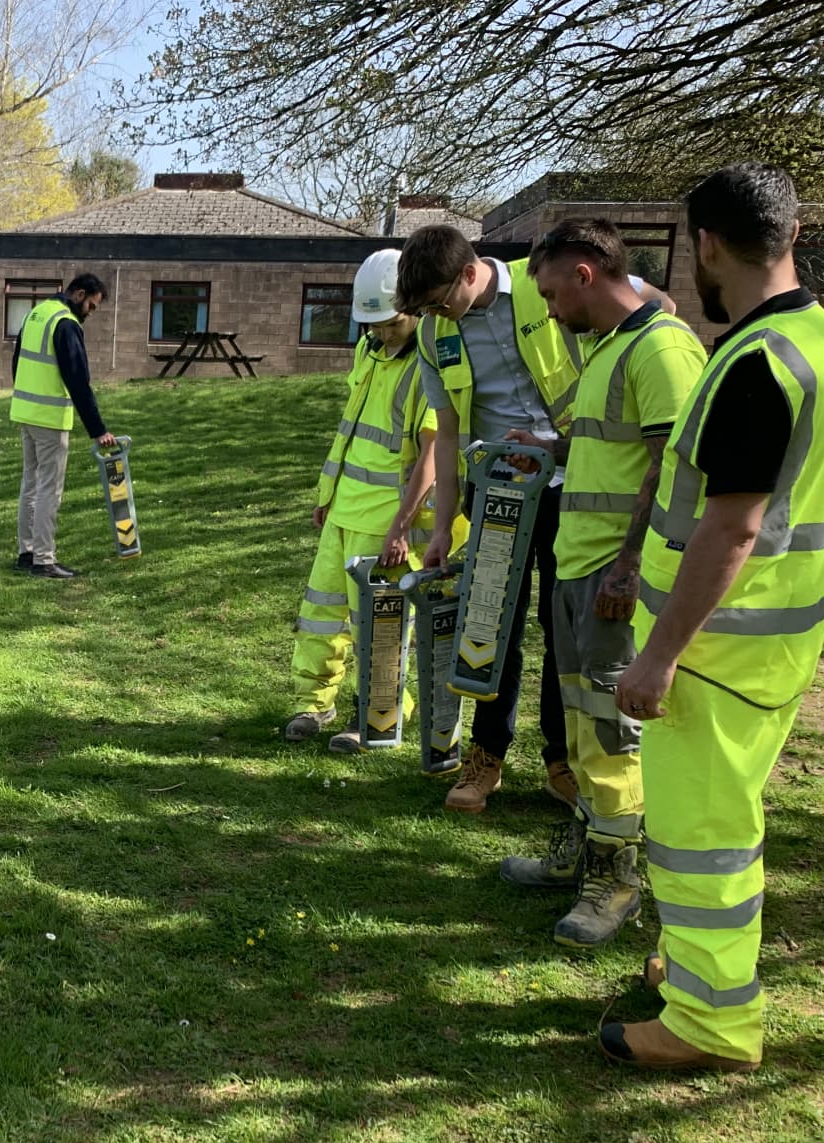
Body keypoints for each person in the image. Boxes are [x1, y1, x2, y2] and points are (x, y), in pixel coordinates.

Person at [601, 164, 824, 1073]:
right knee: (725, 821)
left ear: (707, 245)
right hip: (775, 644)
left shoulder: (755, 363)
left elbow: (733, 523)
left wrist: (659, 655)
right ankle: (692, 972)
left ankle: (709, 1023)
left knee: (699, 839)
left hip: (713, 652)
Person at [394, 228, 677, 815]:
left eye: (439, 301)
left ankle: (561, 761)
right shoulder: (432, 332)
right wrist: (443, 525)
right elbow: (447, 435)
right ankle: (486, 756)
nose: (433, 315)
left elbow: (657, 306)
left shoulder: (542, 277)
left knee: (562, 627)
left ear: (470, 273)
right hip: (495, 492)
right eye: (424, 309)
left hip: (572, 483)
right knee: (490, 624)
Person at [497, 219, 708, 947]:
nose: (550, 311)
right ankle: (586, 849)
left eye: (554, 294)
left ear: (586, 275)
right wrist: (549, 443)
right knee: (584, 725)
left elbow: (670, 469)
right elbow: (611, 449)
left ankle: (617, 880)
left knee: (613, 733)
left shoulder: (661, 349)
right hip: (577, 565)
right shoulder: (609, 349)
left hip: (613, 579)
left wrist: (628, 568)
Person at [286, 247, 462, 770]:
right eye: (375, 324)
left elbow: (432, 456)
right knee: (321, 617)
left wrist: (400, 528)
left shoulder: (430, 363)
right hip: (343, 512)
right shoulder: (369, 350)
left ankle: (378, 717)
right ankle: (313, 705)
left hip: (384, 522)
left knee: (379, 628)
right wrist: (328, 495)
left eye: (389, 323)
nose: (381, 332)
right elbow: (353, 428)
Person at [10, 274, 116, 580]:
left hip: (26, 412)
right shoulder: (66, 323)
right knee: (48, 489)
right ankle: (44, 560)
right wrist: (98, 430)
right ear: (80, 294)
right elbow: (78, 382)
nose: (90, 314)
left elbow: (17, 362)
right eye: (91, 306)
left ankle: (26, 553)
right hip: (49, 417)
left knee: (30, 485)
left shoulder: (37, 313)